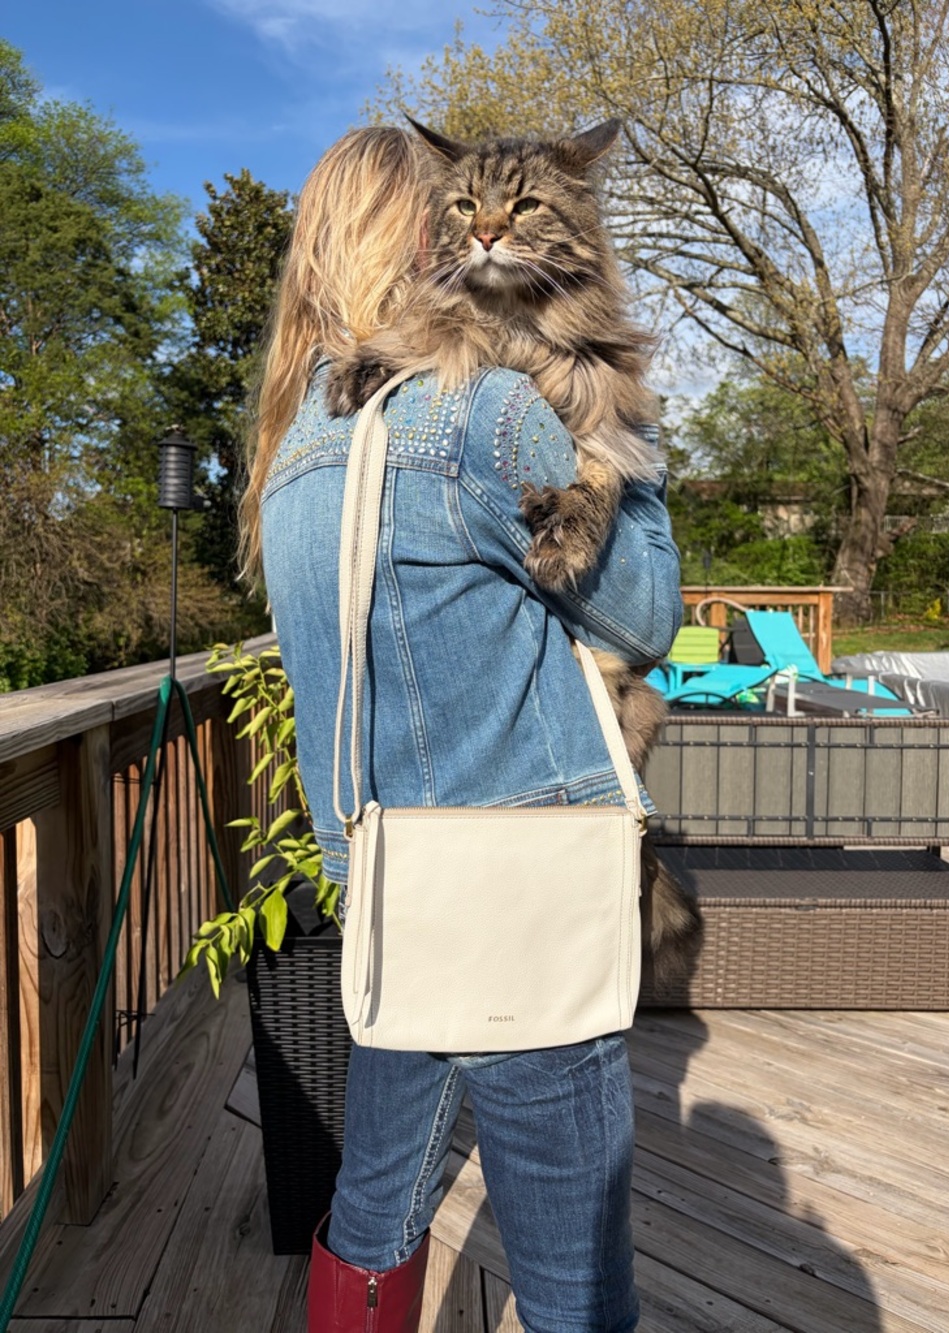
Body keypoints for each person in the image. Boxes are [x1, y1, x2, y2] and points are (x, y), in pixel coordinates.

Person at [242, 127, 683, 1333]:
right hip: (521, 888)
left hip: (397, 890)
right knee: (575, 1278)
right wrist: (619, 422)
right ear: (419, 233)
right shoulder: (485, 413)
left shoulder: (295, 452)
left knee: (377, 1200)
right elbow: (646, 616)